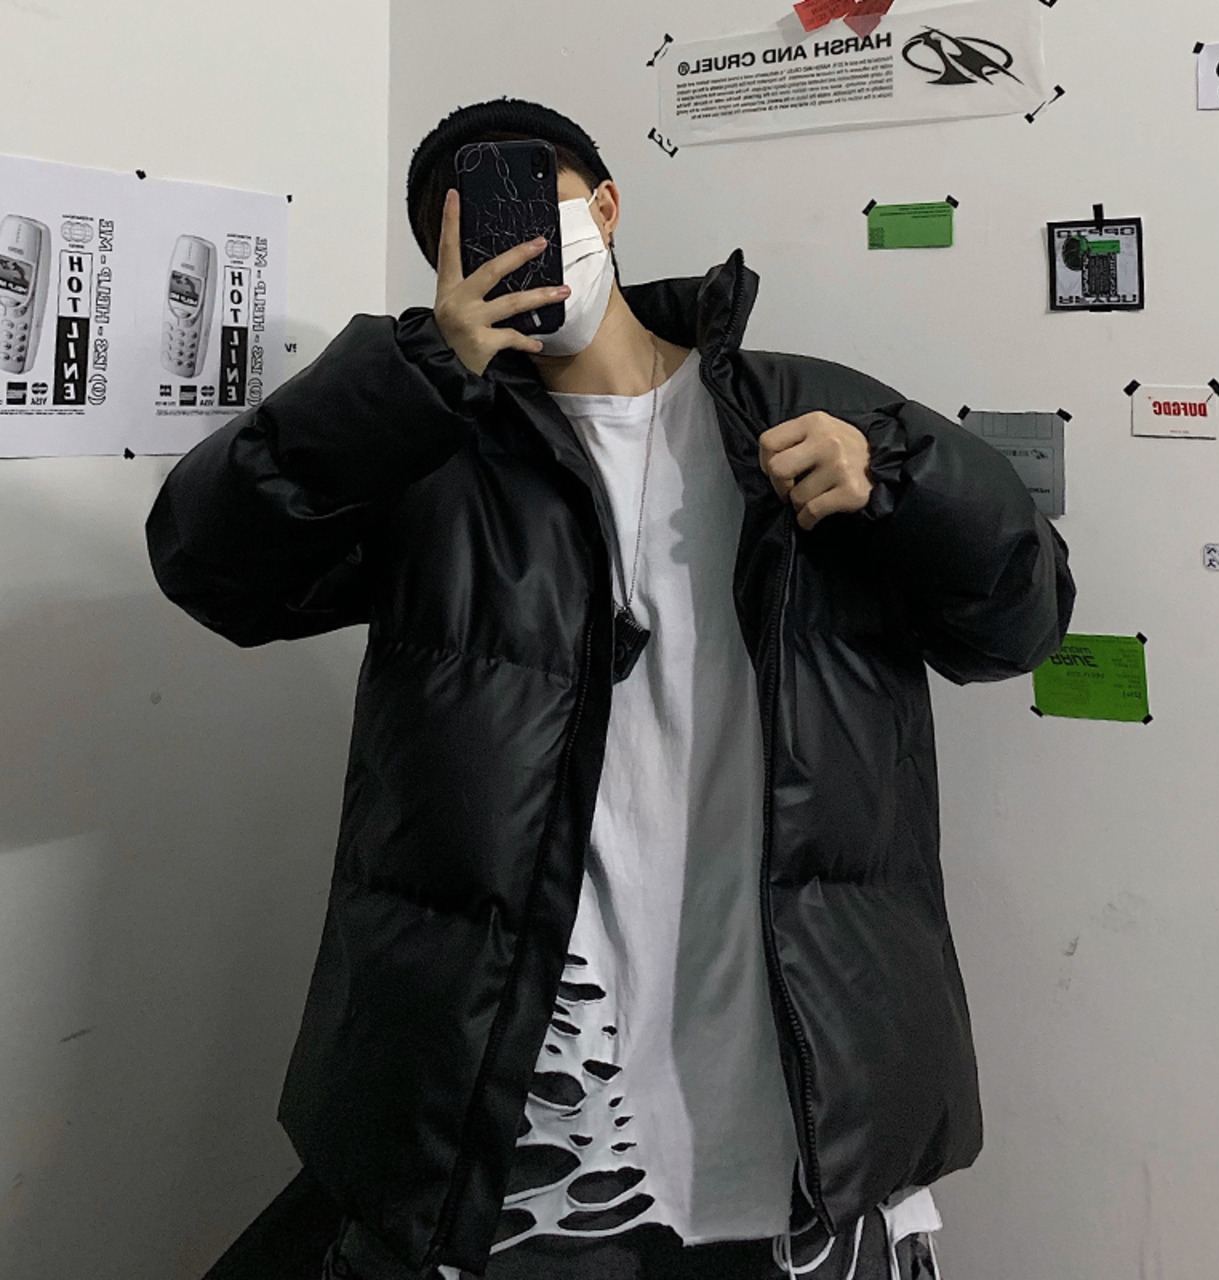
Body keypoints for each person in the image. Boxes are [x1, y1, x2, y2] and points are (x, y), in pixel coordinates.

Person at [147, 98, 1075, 1280]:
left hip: (798, 1073)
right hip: (525, 1095)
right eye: (468, 231)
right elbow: (210, 564)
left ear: (606, 207)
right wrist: (417, 370)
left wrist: (901, 478)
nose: (513, 243)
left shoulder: (804, 411)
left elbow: (1018, 621)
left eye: (534, 205)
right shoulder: (430, 450)